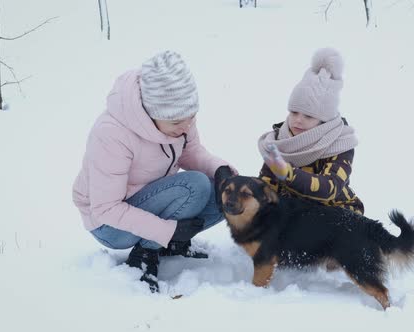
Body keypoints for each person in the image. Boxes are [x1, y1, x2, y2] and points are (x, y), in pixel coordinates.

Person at [72, 50, 235, 293]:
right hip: (109, 226)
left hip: (155, 201)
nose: (186, 126)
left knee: (226, 197)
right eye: (177, 122)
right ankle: (147, 252)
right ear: (151, 113)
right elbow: (105, 208)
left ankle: (168, 245)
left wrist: (222, 170)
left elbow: (190, 152)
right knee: (195, 186)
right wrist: (167, 231)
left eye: (191, 117)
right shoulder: (111, 133)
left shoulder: (179, 117)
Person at [257, 48, 364, 215]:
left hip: (338, 214)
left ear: (323, 121)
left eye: (308, 116)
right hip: (295, 214)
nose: (298, 120)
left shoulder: (340, 144)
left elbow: (330, 188)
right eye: (294, 112)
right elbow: (267, 188)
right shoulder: (279, 141)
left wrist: (288, 174)